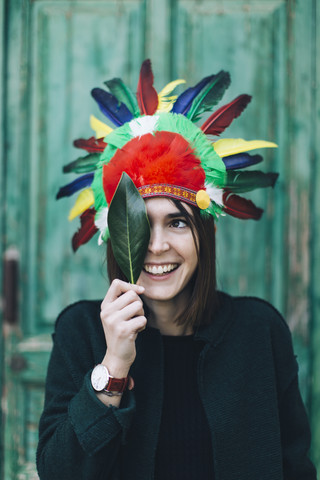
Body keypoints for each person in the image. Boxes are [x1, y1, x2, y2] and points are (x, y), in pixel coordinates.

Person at [36, 60, 317, 480]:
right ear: (115, 234)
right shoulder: (82, 332)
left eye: (178, 222)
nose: (157, 246)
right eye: (139, 223)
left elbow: (295, 465)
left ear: (204, 234)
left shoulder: (259, 330)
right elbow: (60, 473)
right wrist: (114, 365)